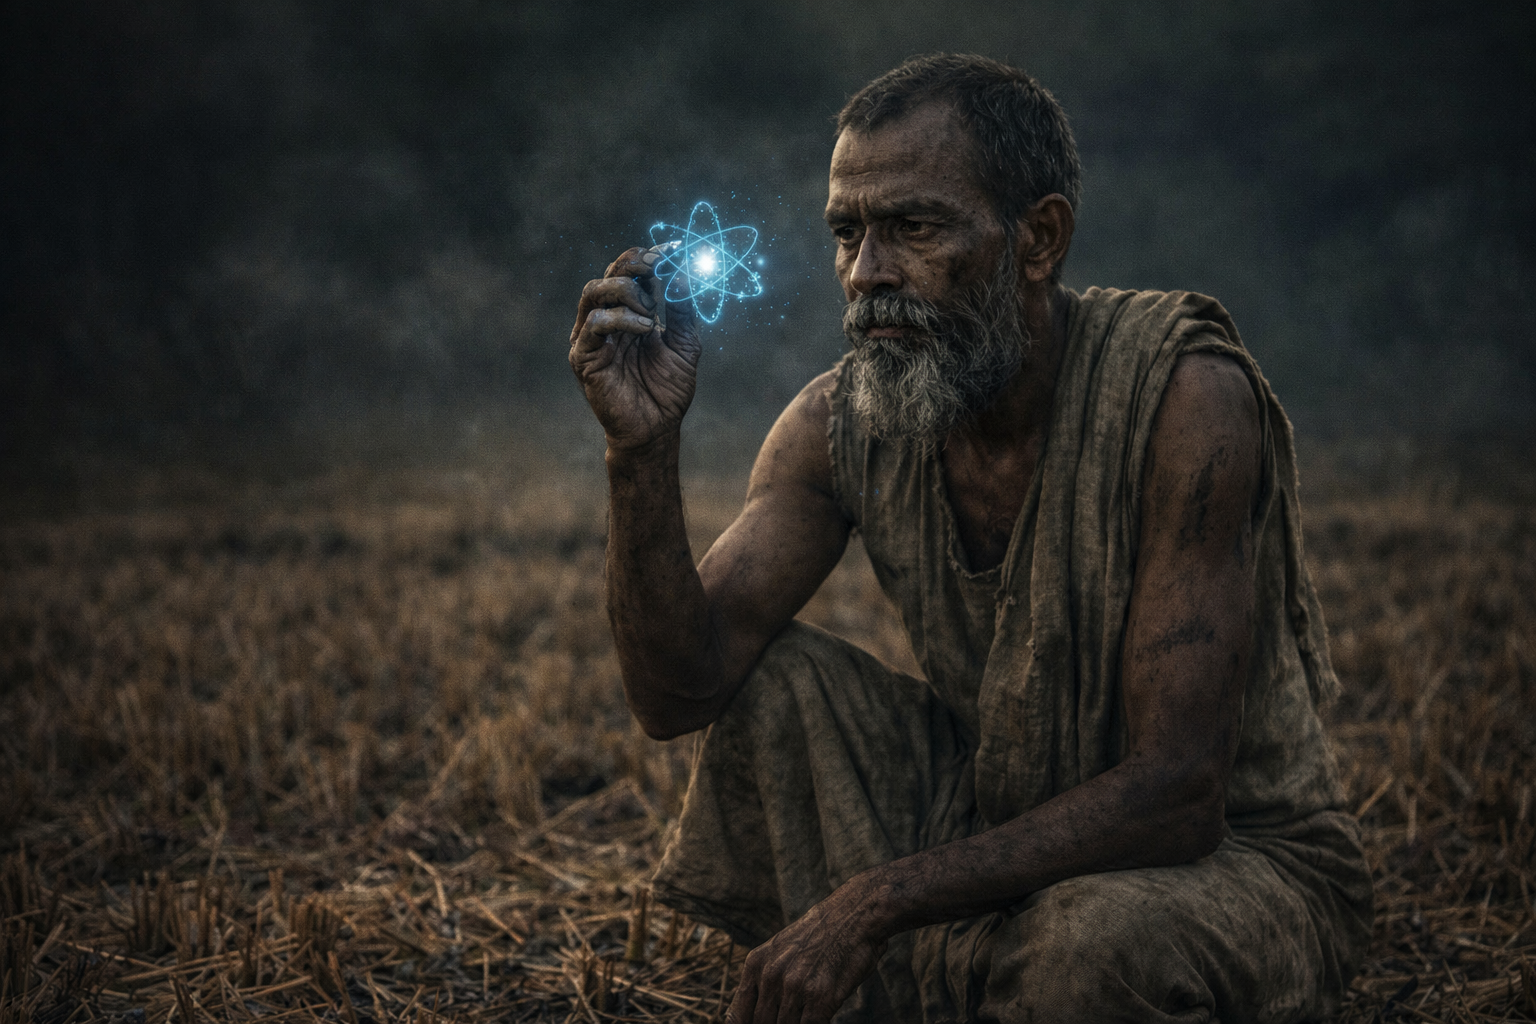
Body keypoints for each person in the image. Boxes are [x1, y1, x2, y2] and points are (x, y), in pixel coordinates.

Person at [567, 53, 1372, 1024]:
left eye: (912, 227)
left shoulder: (1183, 396)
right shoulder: (839, 421)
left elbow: (1179, 792)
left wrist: (874, 901)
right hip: (994, 816)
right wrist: (640, 452)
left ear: (1039, 237)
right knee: (769, 686)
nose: (867, 274)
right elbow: (675, 692)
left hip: (1231, 858)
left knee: (1085, 954)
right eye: (847, 234)